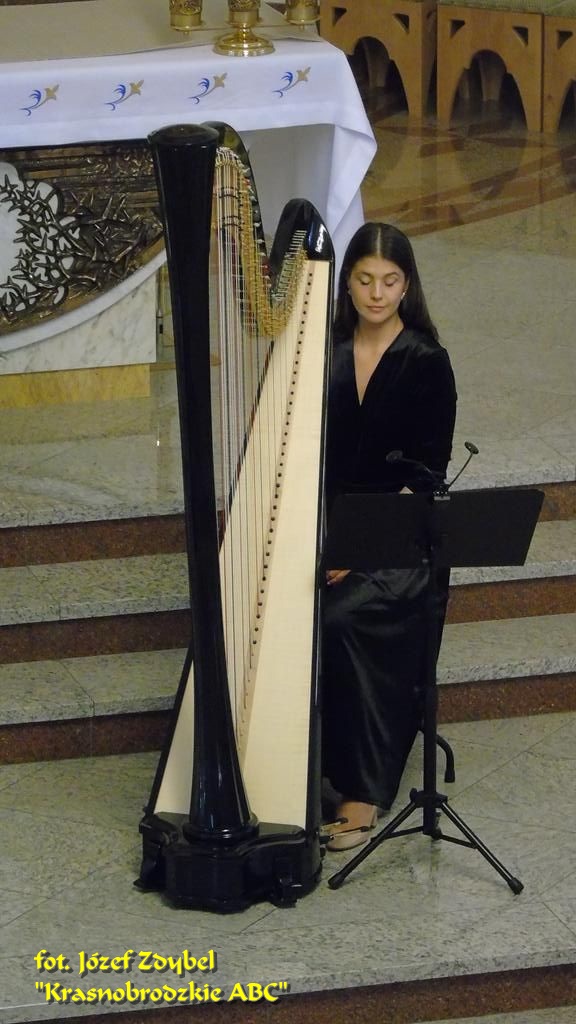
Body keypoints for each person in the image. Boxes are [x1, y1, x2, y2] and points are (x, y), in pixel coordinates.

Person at [322, 222, 457, 851]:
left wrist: (360, 550)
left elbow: (426, 476)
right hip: (327, 531)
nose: (377, 294)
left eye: (390, 281)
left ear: (407, 286)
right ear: (346, 284)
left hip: (399, 542)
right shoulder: (322, 355)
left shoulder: (427, 362)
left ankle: (361, 791)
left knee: (340, 618)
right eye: (364, 279)